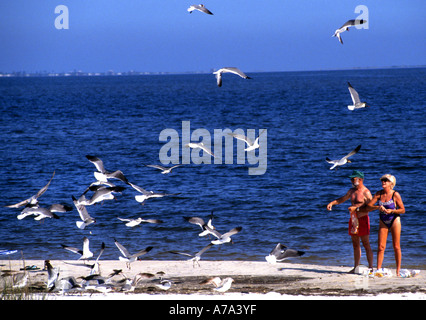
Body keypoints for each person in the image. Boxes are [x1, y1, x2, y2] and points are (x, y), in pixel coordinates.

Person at [350, 174, 405, 276]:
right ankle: (378, 269)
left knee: (396, 246)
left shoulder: (395, 194)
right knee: (380, 247)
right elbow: (369, 206)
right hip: (383, 220)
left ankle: (398, 271)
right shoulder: (378, 194)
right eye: (382, 180)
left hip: (394, 220)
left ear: (391, 183)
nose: (383, 182)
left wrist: (392, 211)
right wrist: (378, 207)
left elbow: (403, 210)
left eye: (386, 180)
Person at [327, 170, 373, 273]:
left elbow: (371, 207)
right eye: (351, 179)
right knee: (355, 244)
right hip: (353, 220)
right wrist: (332, 203)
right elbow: (342, 199)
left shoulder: (366, 192)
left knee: (366, 244)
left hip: (363, 219)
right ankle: (356, 267)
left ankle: (371, 268)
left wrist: (356, 209)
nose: (351, 180)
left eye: (353, 179)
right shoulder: (351, 191)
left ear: (360, 179)